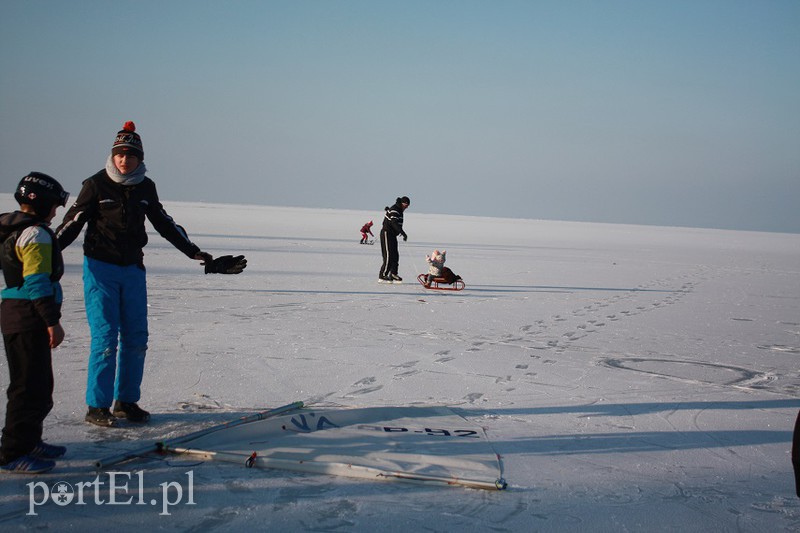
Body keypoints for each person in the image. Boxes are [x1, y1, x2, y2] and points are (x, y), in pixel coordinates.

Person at [56, 121, 247, 428]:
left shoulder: (145, 187)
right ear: (113, 155)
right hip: (101, 269)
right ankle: (97, 406)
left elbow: (163, 221)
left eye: (130, 155)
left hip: (133, 269)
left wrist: (195, 252)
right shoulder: (95, 184)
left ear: (139, 159)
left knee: (137, 338)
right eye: (119, 154)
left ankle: (126, 402)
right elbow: (72, 222)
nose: (124, 160)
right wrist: (47, 250)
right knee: (106, 338)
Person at [0, 173, 70, 473]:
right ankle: (13, 452)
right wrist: (51, 321)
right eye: (54, 206)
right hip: (27, 318)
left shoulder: (14, 228)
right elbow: (37, 282)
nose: (56, 212)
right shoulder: (36, 235)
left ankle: (30, 440)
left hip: (18, 315)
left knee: (38, 385)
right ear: (40, 203)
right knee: (28, 388)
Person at [379, 196, 410, 283]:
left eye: (408, 206)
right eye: (406, 205)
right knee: (388, 255)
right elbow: (393, 222)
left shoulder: (399, 210)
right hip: (386, 233)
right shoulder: (395, 209)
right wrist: (402, 232)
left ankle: (393, 273)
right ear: (402, 203)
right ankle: (382, 275)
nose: (407, 207)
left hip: (393, 235)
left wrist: (400, 232)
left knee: (395, 255)